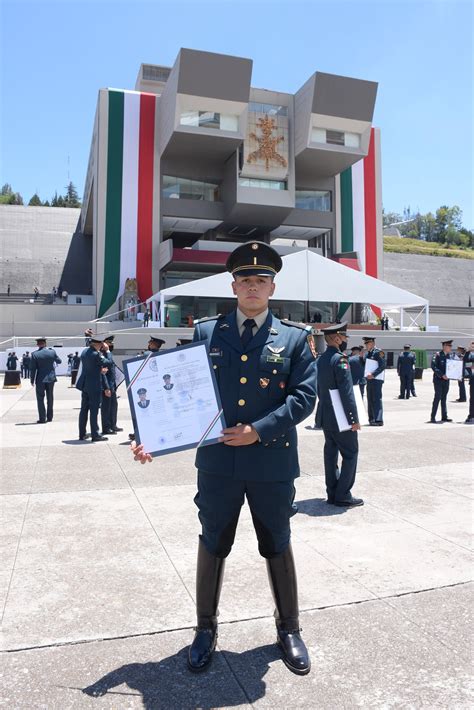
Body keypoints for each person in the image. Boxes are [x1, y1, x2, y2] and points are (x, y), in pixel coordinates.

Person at [132, 240, 317, 676]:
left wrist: (259, 430)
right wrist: (150, 438)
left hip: (271, 462)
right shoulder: (205, 333)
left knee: (277, 541)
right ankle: (205, 629)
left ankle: (288, 628)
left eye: (262, 280)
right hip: (218, 465)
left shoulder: (294, 339)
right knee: (213, 540)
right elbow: (172, 392)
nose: (253, 287)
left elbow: (305, 397)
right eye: (245, 280)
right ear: (233, 286)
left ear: (273, 287)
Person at [316, 322, 362, 508]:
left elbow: (319, 388)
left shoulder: (321, 359)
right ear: (336, 338)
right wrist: (354, 419)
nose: (345, 341)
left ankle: (332, 492)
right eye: (344, 338)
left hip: (327, 415)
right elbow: (346, 392)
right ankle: (343, 495)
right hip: (341, 417)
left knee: (331, 454)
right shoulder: (340, 360)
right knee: (350, 454)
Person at [76, 334, 111, 441]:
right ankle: (95, 435)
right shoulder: (96, 354)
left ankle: (82, 433)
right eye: (101, 344)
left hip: (85, 384)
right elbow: (108, 362)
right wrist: (108, 351)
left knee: (84, 410)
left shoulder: (84, 352)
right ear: (98, 344)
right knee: (94, 410)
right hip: (94, 385)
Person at [30, 338, 61, 423]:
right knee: (50, 397)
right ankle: (50, 417)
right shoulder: (52, 352)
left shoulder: (34, 354)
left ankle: (42, 418)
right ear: (45, 344)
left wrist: (32, 380)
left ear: (38, 345)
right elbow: (59, 361)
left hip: (40, 379)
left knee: (40, 399)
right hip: (51, 378)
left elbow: (33, 369)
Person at [100, 335, 123, 435]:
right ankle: (106, 427)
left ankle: (113, 425)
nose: (111, 344)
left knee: (113, 406)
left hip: (112, 385)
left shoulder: (108, 355)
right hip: (107, 386)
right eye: (109, 342)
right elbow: (103, 373)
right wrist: (107, 387)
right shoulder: (102, 356)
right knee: (106, 407)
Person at [363, 337, 386, 426]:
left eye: (367, 344)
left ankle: (378, 420)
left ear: (372, 343)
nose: (366, 346)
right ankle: (372, 419)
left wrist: (373, 374)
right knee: (370, 398)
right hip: (369, 379)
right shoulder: (369, 354)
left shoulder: (378, 352)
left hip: (376, 379)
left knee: (376, 399)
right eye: (366, 344)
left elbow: (382, 365)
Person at [429, 340, 453, 423]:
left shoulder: (450, 356)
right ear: (444, 347)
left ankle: (444, 416)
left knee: (444, 398)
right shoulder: (437, 355)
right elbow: (433, 366)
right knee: (437, 398)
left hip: (446, 381)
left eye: (451, 346)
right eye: (449, 346)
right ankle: (432, 417)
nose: (451, 348)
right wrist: (442, 375)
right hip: (438, 380)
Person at [463, 341, 474, 424]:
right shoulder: (469, 354)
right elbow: (465, 361)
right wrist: (468, 351)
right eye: (472, 345)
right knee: (472, 399)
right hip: (473, 381)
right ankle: (471, 415)